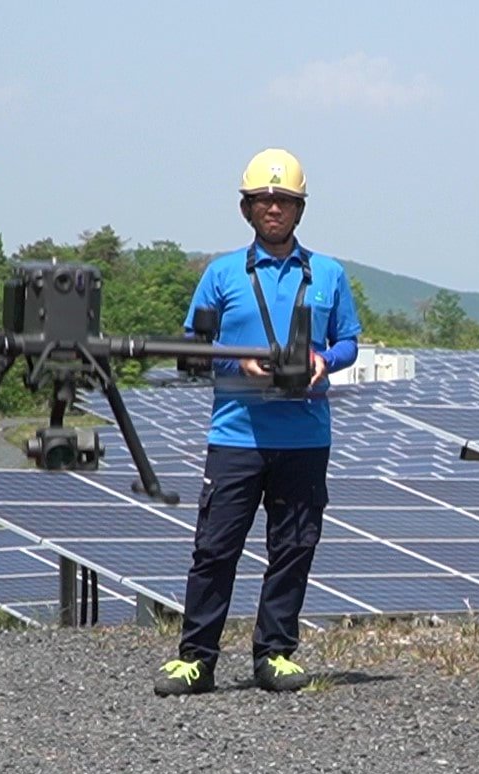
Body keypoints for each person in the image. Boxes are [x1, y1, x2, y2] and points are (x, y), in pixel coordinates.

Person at [154, 148, 362, 696]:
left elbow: (348, 344)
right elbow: (192, 349)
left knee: (293, 546)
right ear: (246, 208)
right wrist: (237, 359)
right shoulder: (221, 274)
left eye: (285, 201)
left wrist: (325, 361)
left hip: (305, 434)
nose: (275, 208)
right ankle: (196, 658)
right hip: (236, 434)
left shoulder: (329, 274)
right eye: (265, 200)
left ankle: (275, 653)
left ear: (300, 209)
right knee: (215, 548)